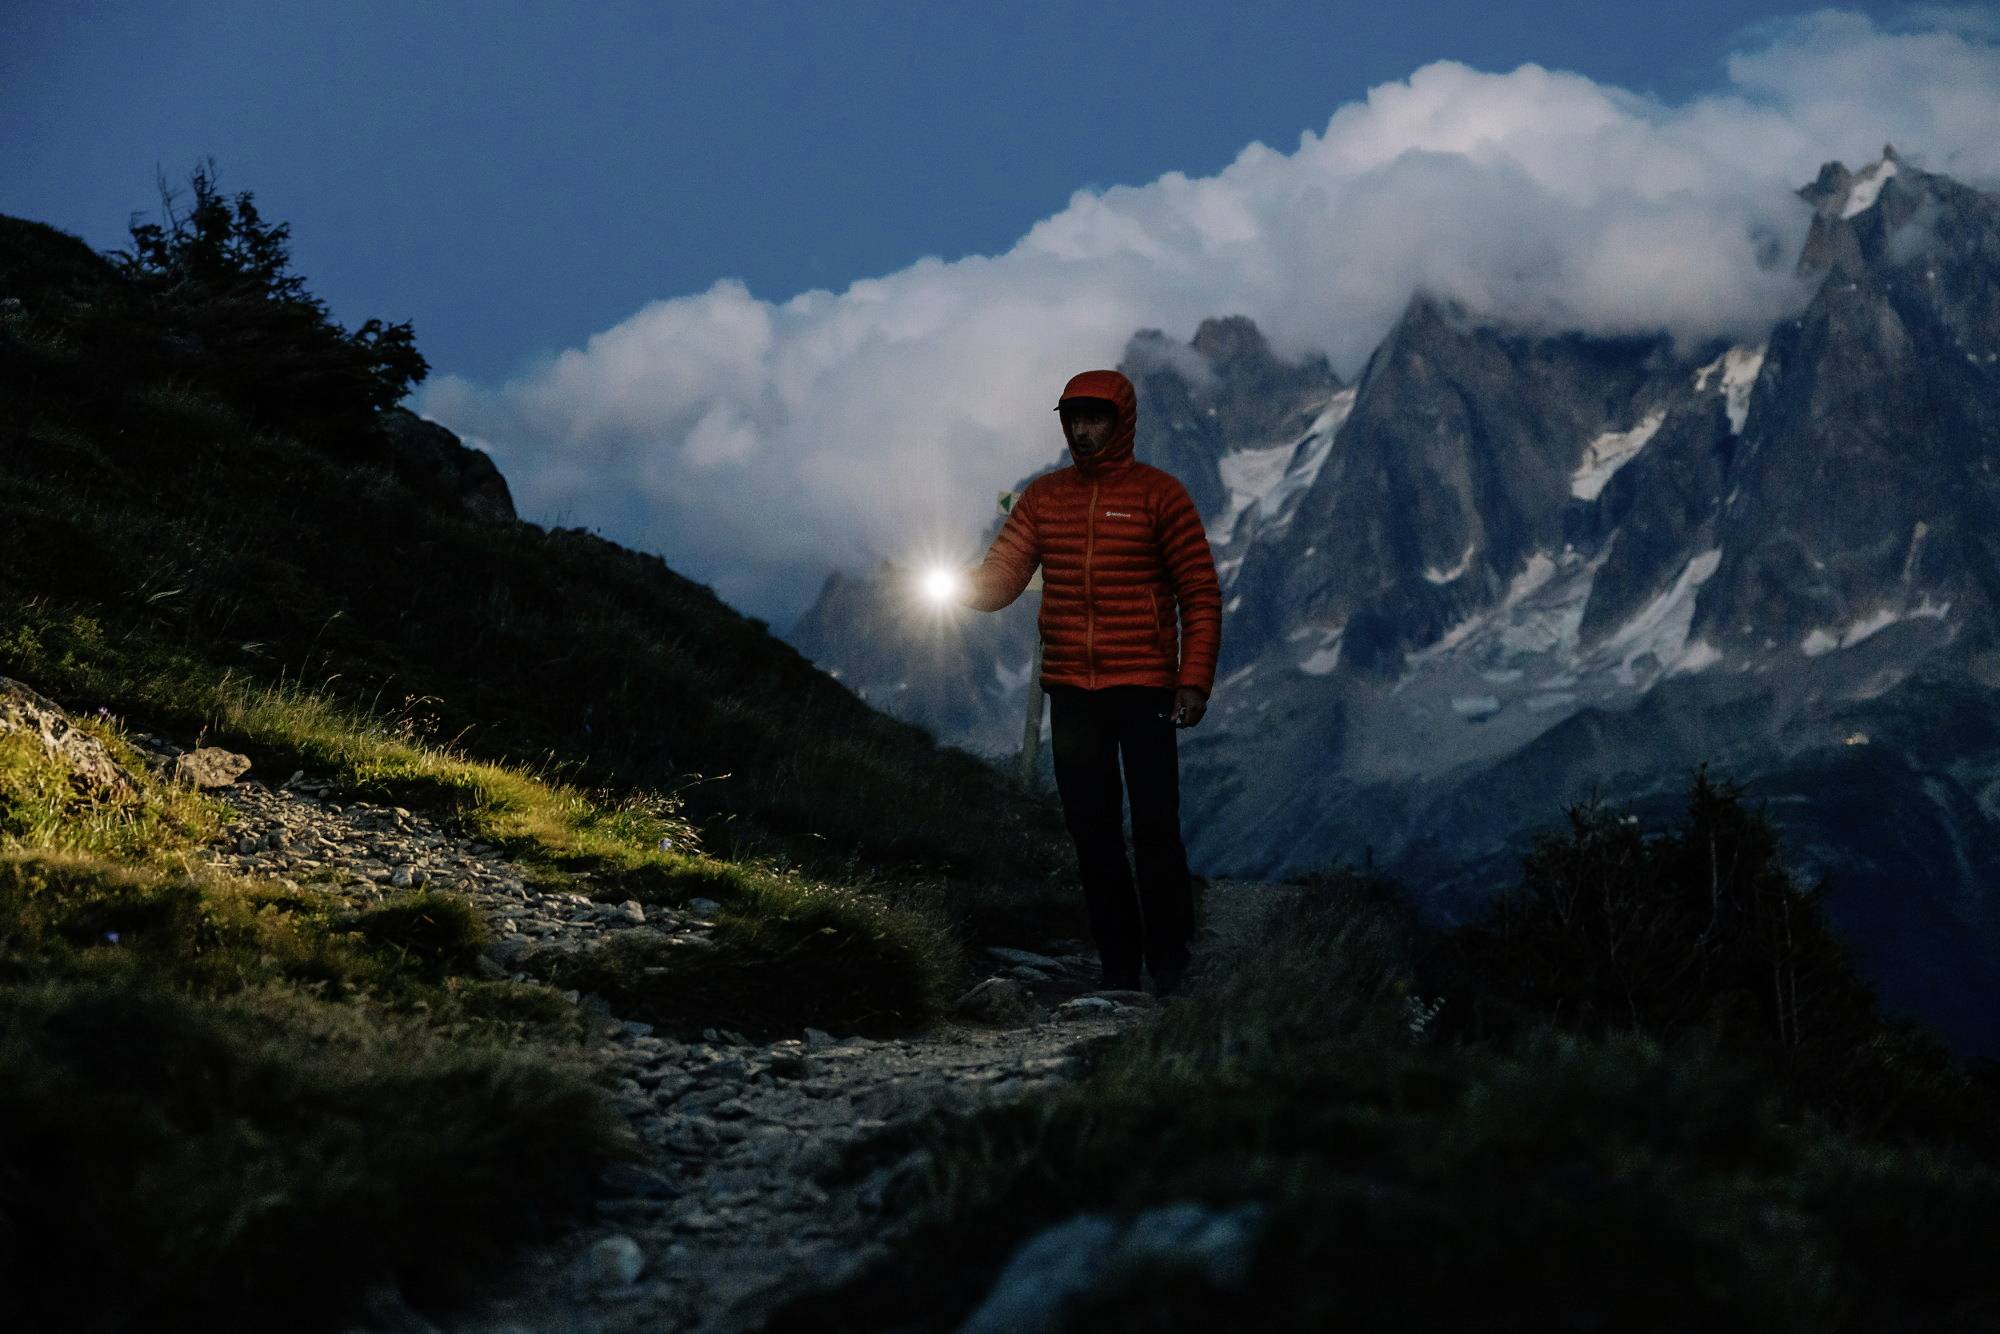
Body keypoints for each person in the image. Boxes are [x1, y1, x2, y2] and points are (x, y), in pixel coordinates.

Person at [959, 368, 1222, 996]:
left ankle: (1169, 957)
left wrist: (1193, 683)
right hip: (1073, 689)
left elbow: (1200, 593)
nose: (1082, 429)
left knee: (1156, 825)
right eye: (1072, 417)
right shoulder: (1044, 499)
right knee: (1092, 830)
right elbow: (1003, 579)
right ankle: (1118, 967)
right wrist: (953, 587)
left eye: (1095, 417)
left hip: (1147, 687)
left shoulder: (1163, 495)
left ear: (1121, 420)